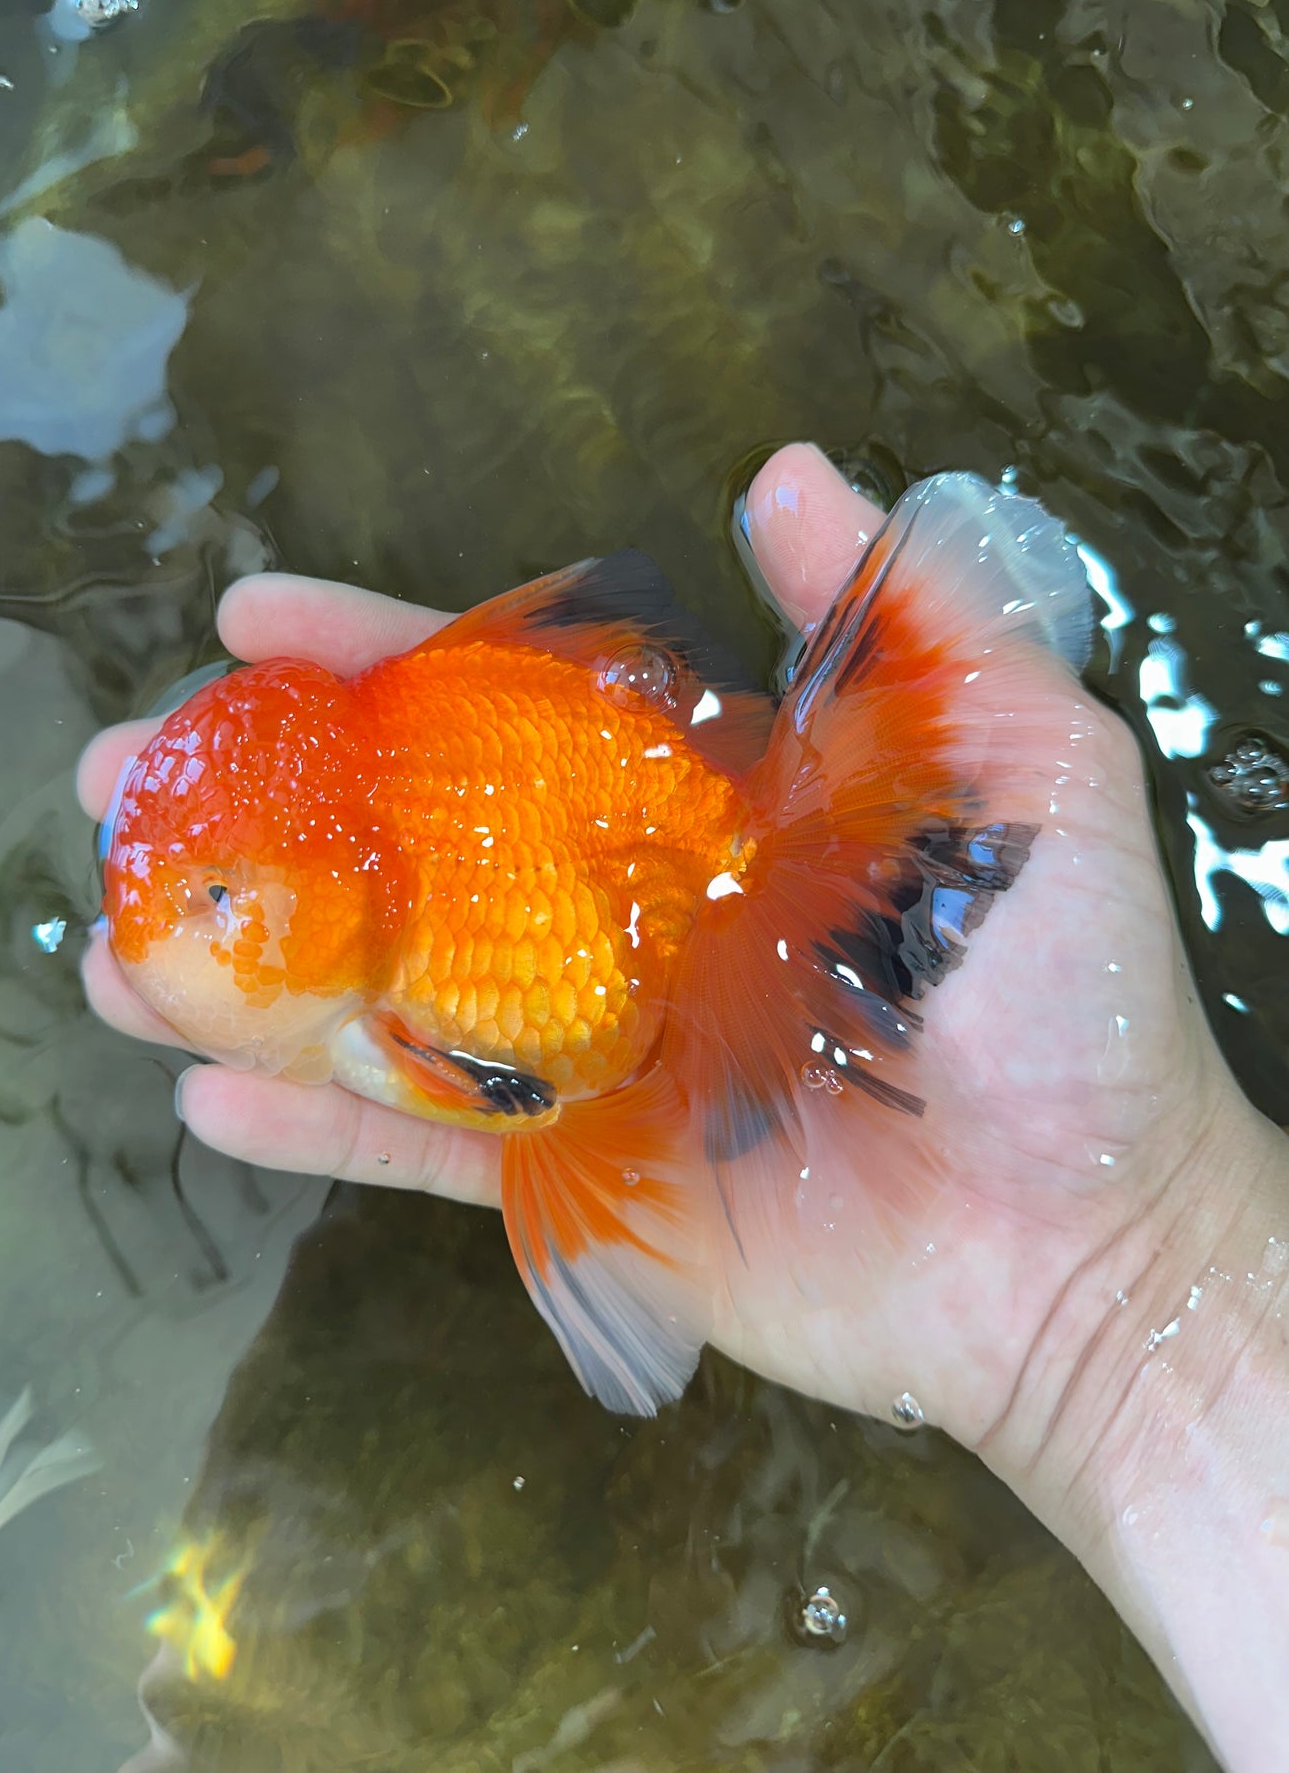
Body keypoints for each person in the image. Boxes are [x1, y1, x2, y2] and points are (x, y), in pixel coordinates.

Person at [78, 442, 1289, 1773]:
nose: (165, 931)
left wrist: (1133, 1279)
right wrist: (1146, 1297)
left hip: (653, 888)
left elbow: (535, 1102)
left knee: (565, 1101)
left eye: (214, 902)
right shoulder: (370, 939)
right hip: (622, 838)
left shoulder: (411, 1009)